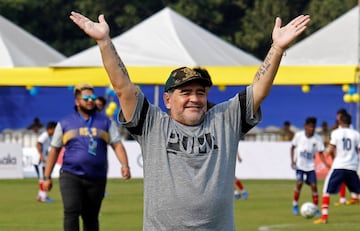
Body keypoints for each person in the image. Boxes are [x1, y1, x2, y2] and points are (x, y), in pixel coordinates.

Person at [69, 11, 310, 230]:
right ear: (167, 99)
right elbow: (123, 88)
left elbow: (259, 89)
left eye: (200, 92)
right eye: (185, 92)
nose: (194, 98)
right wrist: (104, 42)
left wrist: (277, 48)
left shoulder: (225, 120)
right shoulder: (153, 125)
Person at [43, 83, 131, 231]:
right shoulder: (65, 123)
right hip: (71, 175)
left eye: (92, 97)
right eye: (86, 98)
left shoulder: (105, 122)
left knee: (91, 217)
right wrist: (46, 177)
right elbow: (54, 150)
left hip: (96, 177)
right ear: (77, 101)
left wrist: (125, 165)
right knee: (71, 212)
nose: (90, 100)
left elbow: (117, 144)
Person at [314, 113, 360, 224]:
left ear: (341, 122)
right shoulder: (356, 134)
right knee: (358, 192)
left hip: (339, 166)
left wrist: (325, 150)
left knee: (326, 191)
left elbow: (330, 149)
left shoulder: (336, 133)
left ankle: (324, 218)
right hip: (352, 167)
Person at [290, 117, 328, 216]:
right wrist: (292, 161)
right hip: (300, 165)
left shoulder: (318, 138)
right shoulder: (298, 136)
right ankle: (294, 205)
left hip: (310, 166)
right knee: (299, 183)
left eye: (313, 127)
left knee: (314, 187)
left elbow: (320, 153)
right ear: (305, 126)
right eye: (310, 126)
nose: (312, 129)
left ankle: (315, 209)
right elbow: (292, 147)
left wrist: (326, 164)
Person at [35, 121, 57, 203]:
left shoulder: (50, 136)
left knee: (43, 178)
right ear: (50, 129)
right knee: (43, 179)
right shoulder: (45, 135)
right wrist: (41, 156)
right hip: (39, 160)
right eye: (55, 129)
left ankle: (40, 196)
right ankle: (43, 197)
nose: (55, 132)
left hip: (44, 160)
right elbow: (37, 144)